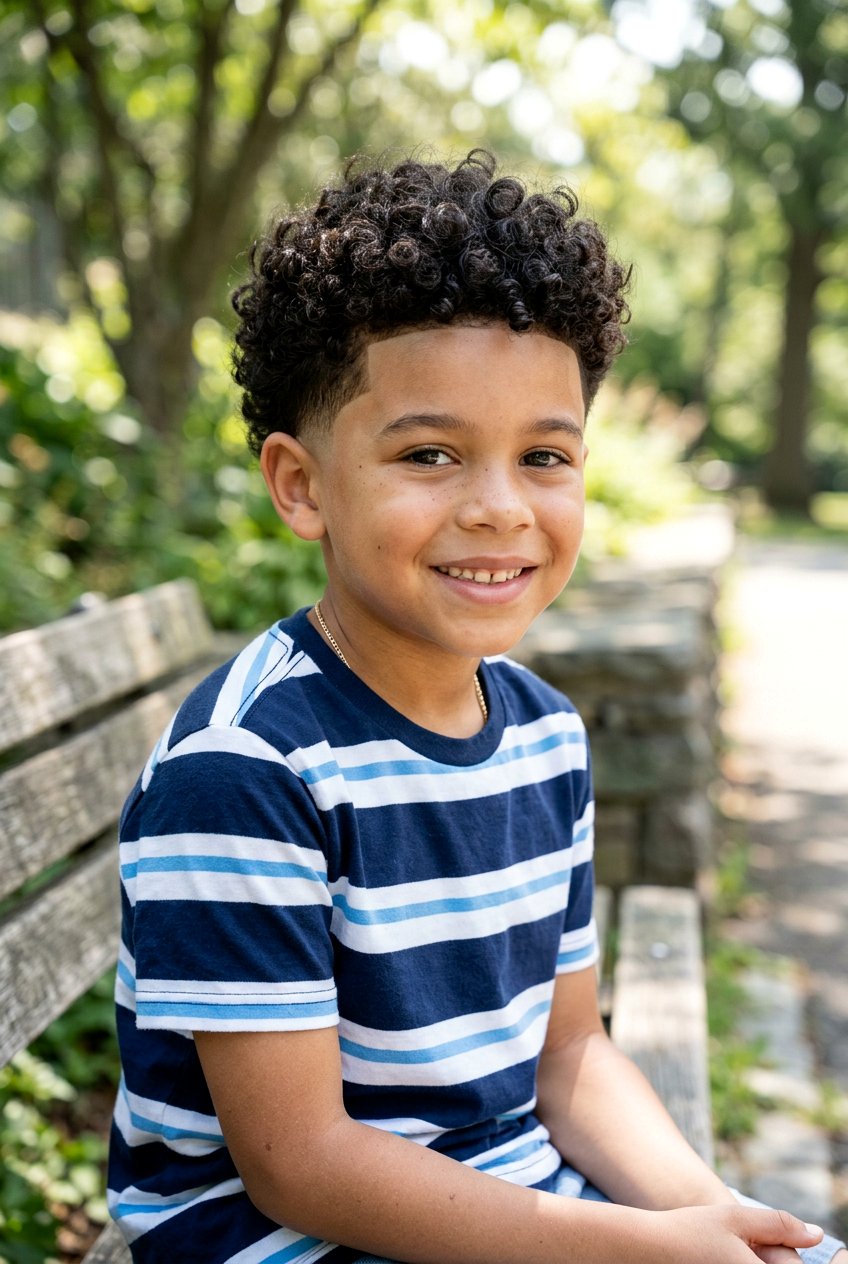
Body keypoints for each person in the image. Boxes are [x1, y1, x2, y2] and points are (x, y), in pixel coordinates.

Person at [107, 149, 847, 1264]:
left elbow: (567, 1059)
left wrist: (711, 1217)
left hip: (498, 1203)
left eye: (542, 454)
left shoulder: (544, 735)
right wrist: (640, 1248)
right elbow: (299, 1162)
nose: (498, 507)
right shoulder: (247, 769)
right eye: (430, 453)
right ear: (301, 485)